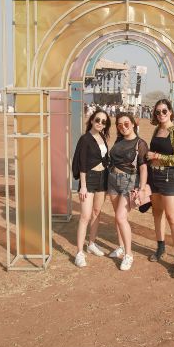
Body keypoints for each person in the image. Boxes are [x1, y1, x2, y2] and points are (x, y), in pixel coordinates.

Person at [145, 99, 174, 277]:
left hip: (170, 177)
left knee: (172, 217)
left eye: (163, 111)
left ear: (170, 112)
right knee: (157, 214)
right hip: (155, 177)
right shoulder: (156, 129)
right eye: (157, 112)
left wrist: (156, 155)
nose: (160, 114)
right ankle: (160, 247)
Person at [106, 112, 149, 271]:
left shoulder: (140, 143)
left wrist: (142, 189)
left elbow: (143, 168)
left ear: (133, 124)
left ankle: (129, 255)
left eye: (126, 123)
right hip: (112, 180)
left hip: (129, 182)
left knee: (121, 217)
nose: (123, 127)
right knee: (117, 218)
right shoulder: (119, 140)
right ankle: (121, 247)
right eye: (119, 124)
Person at [72, 108, 111, 267]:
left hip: (103, 179)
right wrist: (83, 186)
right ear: (92, 120)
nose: (100, 123)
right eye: (98, 120)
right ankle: (79, 253)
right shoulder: (85, 138)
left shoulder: (102, 137)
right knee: (85, 216)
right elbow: (81, 163)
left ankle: (92, 244)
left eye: (103, 122)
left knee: (96, 213)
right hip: (88, 179)